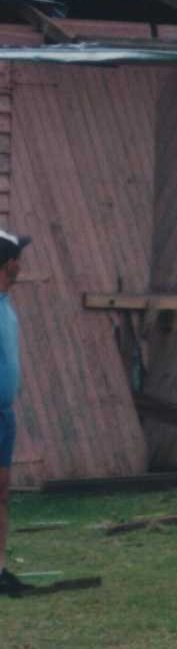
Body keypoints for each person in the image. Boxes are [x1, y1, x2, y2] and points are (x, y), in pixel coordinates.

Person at [0, 229, 29, 597]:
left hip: (4, 415)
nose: (23, 263)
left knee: (1, 492)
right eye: (20, 256)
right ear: (10, 264)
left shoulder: (6, 304)